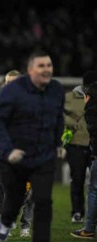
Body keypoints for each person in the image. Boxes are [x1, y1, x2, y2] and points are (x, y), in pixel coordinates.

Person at [0, 51, 65, 242]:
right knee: (13, 198)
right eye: (41, 66)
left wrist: (58, 143)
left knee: (43, 201)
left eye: (49, 65)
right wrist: (8, 148)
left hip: (43, 156)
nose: (46, 69)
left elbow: (58, 118)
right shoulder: (11, 91)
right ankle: (5, 221)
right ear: (30, 70)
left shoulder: (56, 90)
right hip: (15, 155)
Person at [64, 71, 95, 224]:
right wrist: (70, 122)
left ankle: (92, 215)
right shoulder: (69, 97)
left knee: (95, 184)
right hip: (76, 144)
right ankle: (77, 212)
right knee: (77, 180)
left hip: (94, 144)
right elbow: (58, 114)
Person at [71, 82, 97, 239]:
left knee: (94, 190)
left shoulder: (91, 110)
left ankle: (88, 228)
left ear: (88, 97)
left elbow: (94, 130)